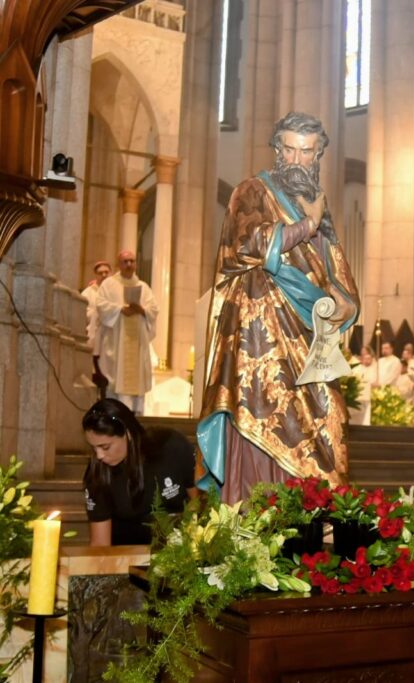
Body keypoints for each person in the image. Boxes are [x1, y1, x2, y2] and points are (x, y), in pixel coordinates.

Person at [198, 111, 360, 504]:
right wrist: (308, 225)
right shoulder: (252, 191)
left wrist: (345, 302)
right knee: (266, 408)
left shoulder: (319, 204)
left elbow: (335, 266)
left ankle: (311, 516)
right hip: (261, 328)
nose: (297, 159)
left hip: (309, 331)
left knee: (326, 418)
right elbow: (249, 247)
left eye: (307, 152)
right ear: (276, 150)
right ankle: (255, 510)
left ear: (318, 155)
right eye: (288, 149)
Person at [81, 398, 197, 546]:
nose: (99, 456)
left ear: (127, 434)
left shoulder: (171, 447)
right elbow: (100, 545)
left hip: (181, 552)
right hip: (127, 557)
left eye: (105, 447)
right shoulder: (97, 473)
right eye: (93, 448)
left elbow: (201, 504)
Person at [95, 250, 158, 413]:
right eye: (125, 262)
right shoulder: (109, 284)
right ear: (118, 264)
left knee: (136, 382)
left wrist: (141, 310)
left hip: (137, 344)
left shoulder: (143, 287)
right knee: (117, 381)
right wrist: (120, 310)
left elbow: (154, 310)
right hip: (117, 345)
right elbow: (101, 305)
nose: (129, 265)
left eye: (132, 261)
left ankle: (136, 415)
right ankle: (116, 414)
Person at [81, 260, 112, 393]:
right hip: (94, 335)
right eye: (101, 273)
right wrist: (96, 313)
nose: (104, 275)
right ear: (95, 275)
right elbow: (82, 311)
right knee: (95, 370)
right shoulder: (88, 292)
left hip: (110, 338)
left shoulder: (114, 291)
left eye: (106, 272)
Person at [349, 346, 377, 426]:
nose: (367, 360)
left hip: (366, 395)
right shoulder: (359, 368)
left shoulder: (372, 369)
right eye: (365, 359)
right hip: (359, 396)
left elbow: (372, 380)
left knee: (366, 417)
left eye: (369, 359)